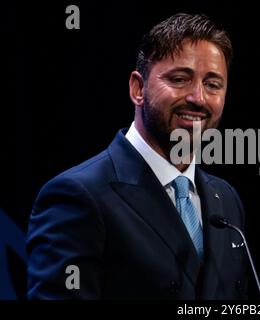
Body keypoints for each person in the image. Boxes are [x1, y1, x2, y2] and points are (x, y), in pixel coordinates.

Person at [26, 13, 248, 299]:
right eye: (180, 79)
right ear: (138, 88)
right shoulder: (77, 196)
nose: (198, 98)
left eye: (213, 85)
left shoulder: (226, 200)